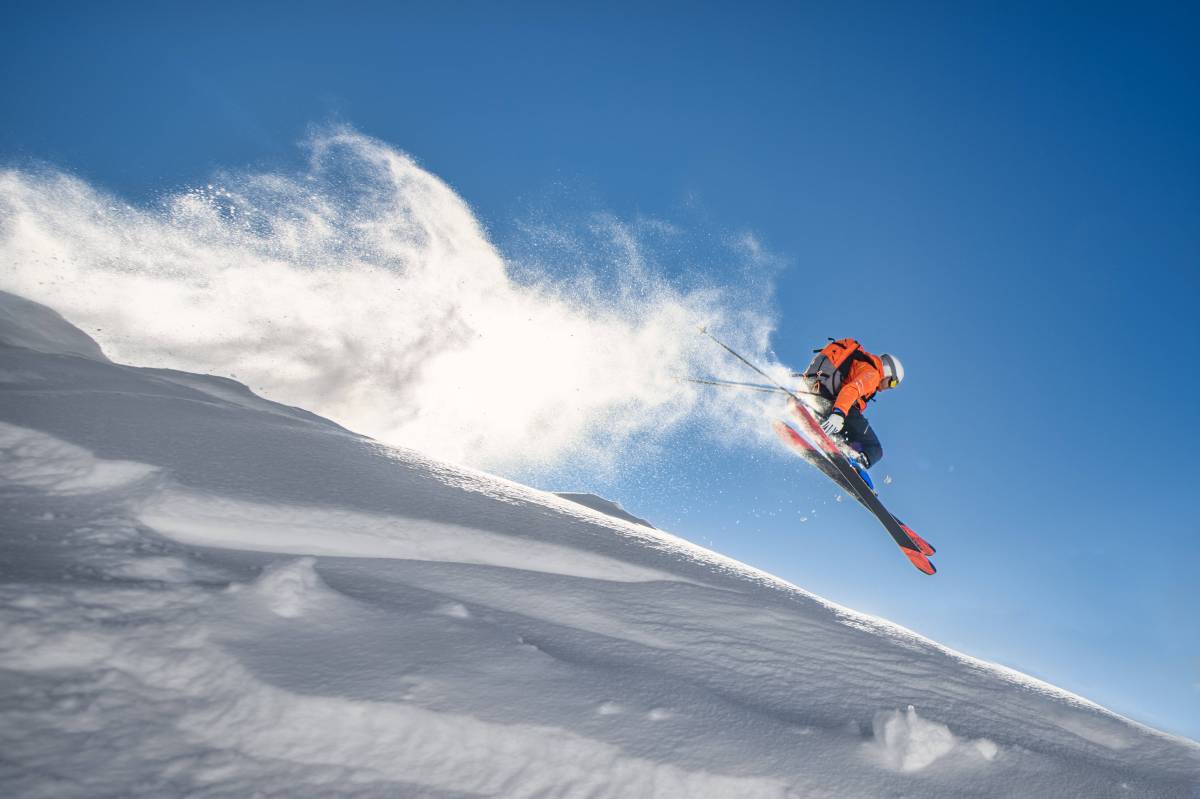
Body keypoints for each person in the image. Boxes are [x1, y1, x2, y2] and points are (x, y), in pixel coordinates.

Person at [800, 338, 904, 471]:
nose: (889, 388)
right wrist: (838, 413)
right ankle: (856, 464)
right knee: (875, 449)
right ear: (888, 372)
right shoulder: (873, 375)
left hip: (819, 394)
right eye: (892, 383)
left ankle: (840, 448)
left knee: (852, 435)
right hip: (835, 407)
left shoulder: (863, 365)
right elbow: (851, 389)